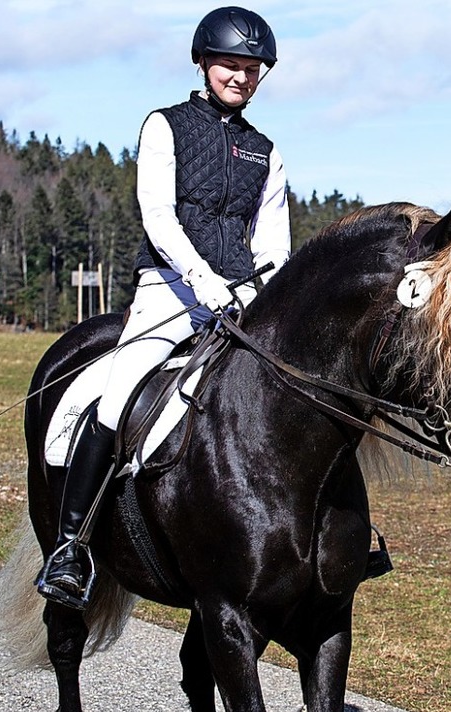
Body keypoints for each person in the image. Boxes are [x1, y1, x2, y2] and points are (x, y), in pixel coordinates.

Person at [38, 6, 291, 607]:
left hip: (240, 304)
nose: (242, 76)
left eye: (253, 68)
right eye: (231, 64)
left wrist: (255, 292)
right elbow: (159, 214)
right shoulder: (165, 125)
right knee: (118, 392)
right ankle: (70, 548)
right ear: (204, 63)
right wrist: (202, 280)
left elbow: (274, 241)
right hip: (169, 296)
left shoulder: (266, 151)